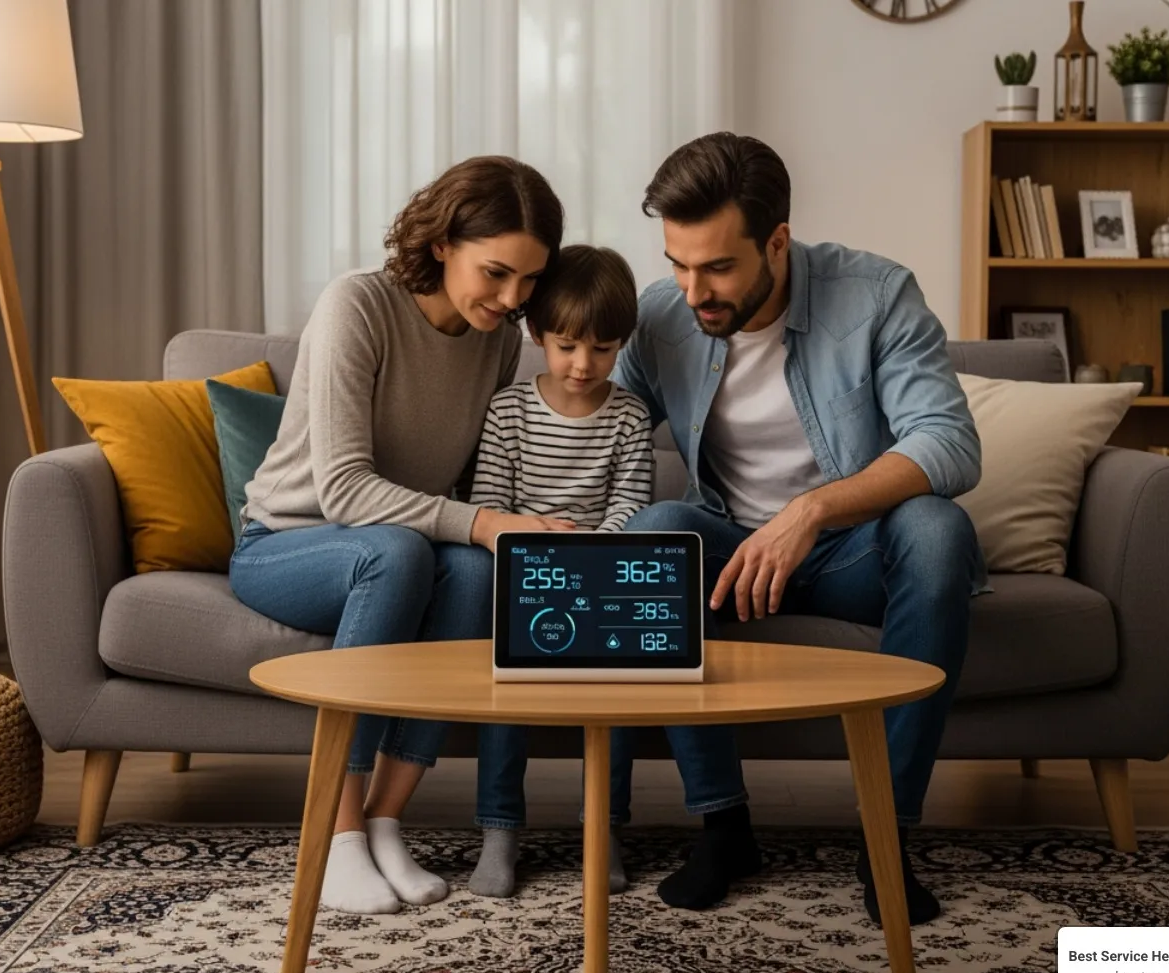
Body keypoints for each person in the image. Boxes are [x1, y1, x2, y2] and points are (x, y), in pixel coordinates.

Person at [609, 132, 984, 922]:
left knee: (939, 530)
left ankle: (888, 837)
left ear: (777, 241)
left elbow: (948, 442)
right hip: (728, 553)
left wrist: (809, 512)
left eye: (717, 267)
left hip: (852, 551)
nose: (692, 288)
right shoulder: (661, 315)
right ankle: (722, 825)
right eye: (677, 262)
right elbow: (599, 427)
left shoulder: (877, 295)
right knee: (657, 530)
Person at [231, 155, 578, 915]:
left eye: (528, 281)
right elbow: (344, 490)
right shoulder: (358, 305)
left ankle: (387, 819)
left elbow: (462, 484)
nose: (511, 298)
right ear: (444, 240)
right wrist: (488, 525)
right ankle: (335, 833)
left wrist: (528, 529)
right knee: (399, 552)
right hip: (288, 543)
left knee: (481, 575)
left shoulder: (493, 340)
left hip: (400, 551)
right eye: (495, 273)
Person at [464, 244, 655, 898]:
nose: (583, 364)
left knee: (620, 691)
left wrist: (591, 556)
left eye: (603, 349)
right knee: (504, 692)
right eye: (569, 345)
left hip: (598, 577)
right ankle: (499, 829)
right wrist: (535, 553)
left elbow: (633, 505)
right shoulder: (508, 411)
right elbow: (488, 502)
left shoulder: (629, 416)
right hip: (522, 575)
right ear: (537, 334)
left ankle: (603, 827)